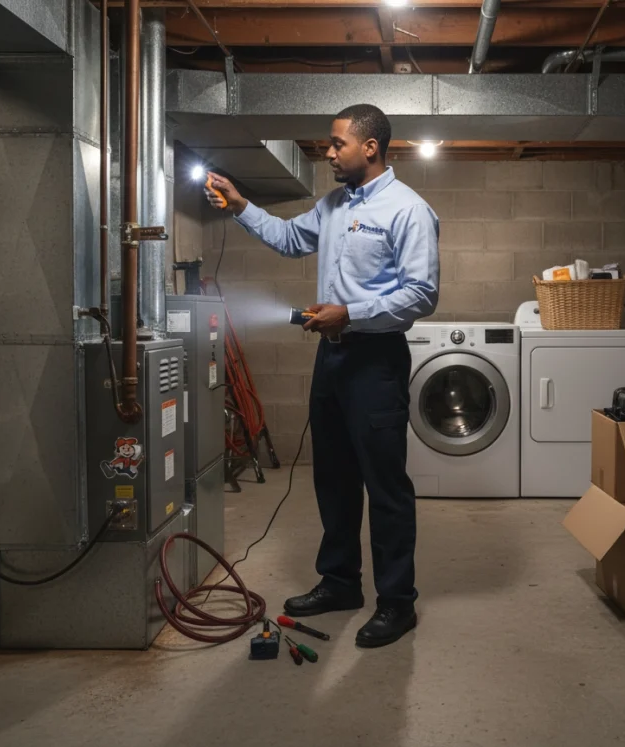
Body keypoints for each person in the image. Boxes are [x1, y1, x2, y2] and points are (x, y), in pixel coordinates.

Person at [205, 104, 440, 648]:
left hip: (376, 361)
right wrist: (241, 206)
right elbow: (291, 239)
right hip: (331, 359)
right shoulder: (334, 205)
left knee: (385, 487)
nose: (329, 153)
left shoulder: (408, 210)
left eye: (338, 144)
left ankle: (397, 602)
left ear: (370, 147)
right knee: (333, 478)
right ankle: (340, 583)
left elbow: (422, 294)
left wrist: (350, 314)